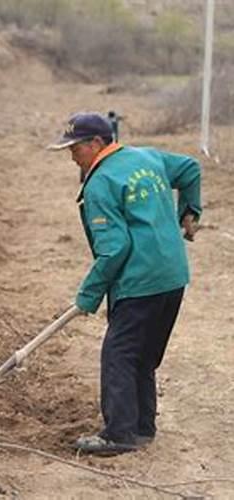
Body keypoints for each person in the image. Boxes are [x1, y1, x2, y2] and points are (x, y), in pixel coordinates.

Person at [48, 112, 202, 455]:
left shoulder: (101, 183)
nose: (71, 155)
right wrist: (189, 210)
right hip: (173, 277)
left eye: (75, 148)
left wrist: (88, 295)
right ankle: (142, 428)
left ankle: (118, 434)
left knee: (118, 354)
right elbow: (190, 168)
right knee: (144, 356)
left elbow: (115, 249)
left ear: (97, 144)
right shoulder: (146, 156)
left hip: (140, 281)